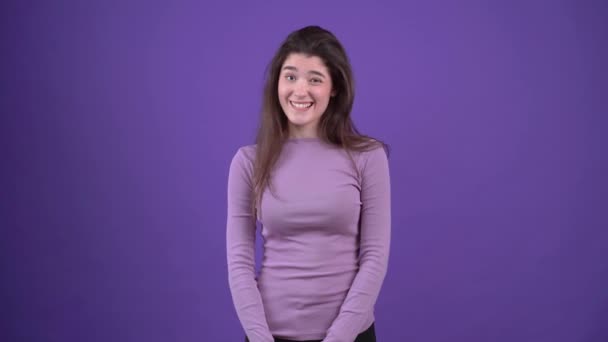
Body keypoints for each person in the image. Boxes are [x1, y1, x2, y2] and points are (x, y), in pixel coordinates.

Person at [226, 25, 391, 342]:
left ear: (334, 88)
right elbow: (239, 263)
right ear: (277, 82)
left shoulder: (368, 157)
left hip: (349, 336)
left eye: (314, 79)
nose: (299, 90)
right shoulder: (248, 162)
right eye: (290, 76)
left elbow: (375, 257)